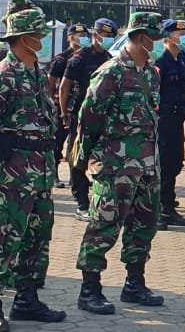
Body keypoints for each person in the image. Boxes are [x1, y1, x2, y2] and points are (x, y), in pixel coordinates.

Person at [0, 7, 67, 330]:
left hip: (38, 174)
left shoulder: (37, 73)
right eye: (39, 34)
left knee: (36, 238)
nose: (43, 39)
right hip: (7, 176)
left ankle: (26, 300)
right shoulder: (1, 76)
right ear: (25, 38)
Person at [74, 12, 167, 315]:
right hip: (115, 165)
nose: (159, 43)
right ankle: (90, 290)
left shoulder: (152, 73)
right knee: (103, 226)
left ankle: (134, 284)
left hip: (147, 165)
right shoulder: (111, 72)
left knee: (143, 226)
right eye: (155, 37)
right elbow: (89, 117)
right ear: (141, 37)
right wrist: (87, 156)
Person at [59, 18, 119, 221]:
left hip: (103, 118)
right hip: (80, 115)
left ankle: (101, 202)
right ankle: (81, 202)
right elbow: (64, 87)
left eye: (112, 36)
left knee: (103, 159)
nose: (108, 39)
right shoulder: (79, 58)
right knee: (77, 159)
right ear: (96, 35)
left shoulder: (110, 58)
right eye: (106, 36)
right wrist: (64, 113)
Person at [155, 20, 185, 229]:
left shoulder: (181, 58)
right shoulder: (160, 60)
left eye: (184, 33)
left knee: (175, 163)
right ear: (168, 37)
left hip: (177, 120)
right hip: (163, 120)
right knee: (162, 165)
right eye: (180, 33)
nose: (184, 37)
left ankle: (168, 207)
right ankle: (157, 209)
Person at [48, 24, 88, 190]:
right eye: (79, 35)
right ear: (70, 37)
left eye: (85, 34)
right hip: (62, 106)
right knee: (58, 141)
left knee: (76, 142)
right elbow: (51, 84)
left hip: (80, 104)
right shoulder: (61, 59)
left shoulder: (86, 56)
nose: (83, 37)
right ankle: (54, 174)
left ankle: (75, 176)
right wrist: (53, 104)